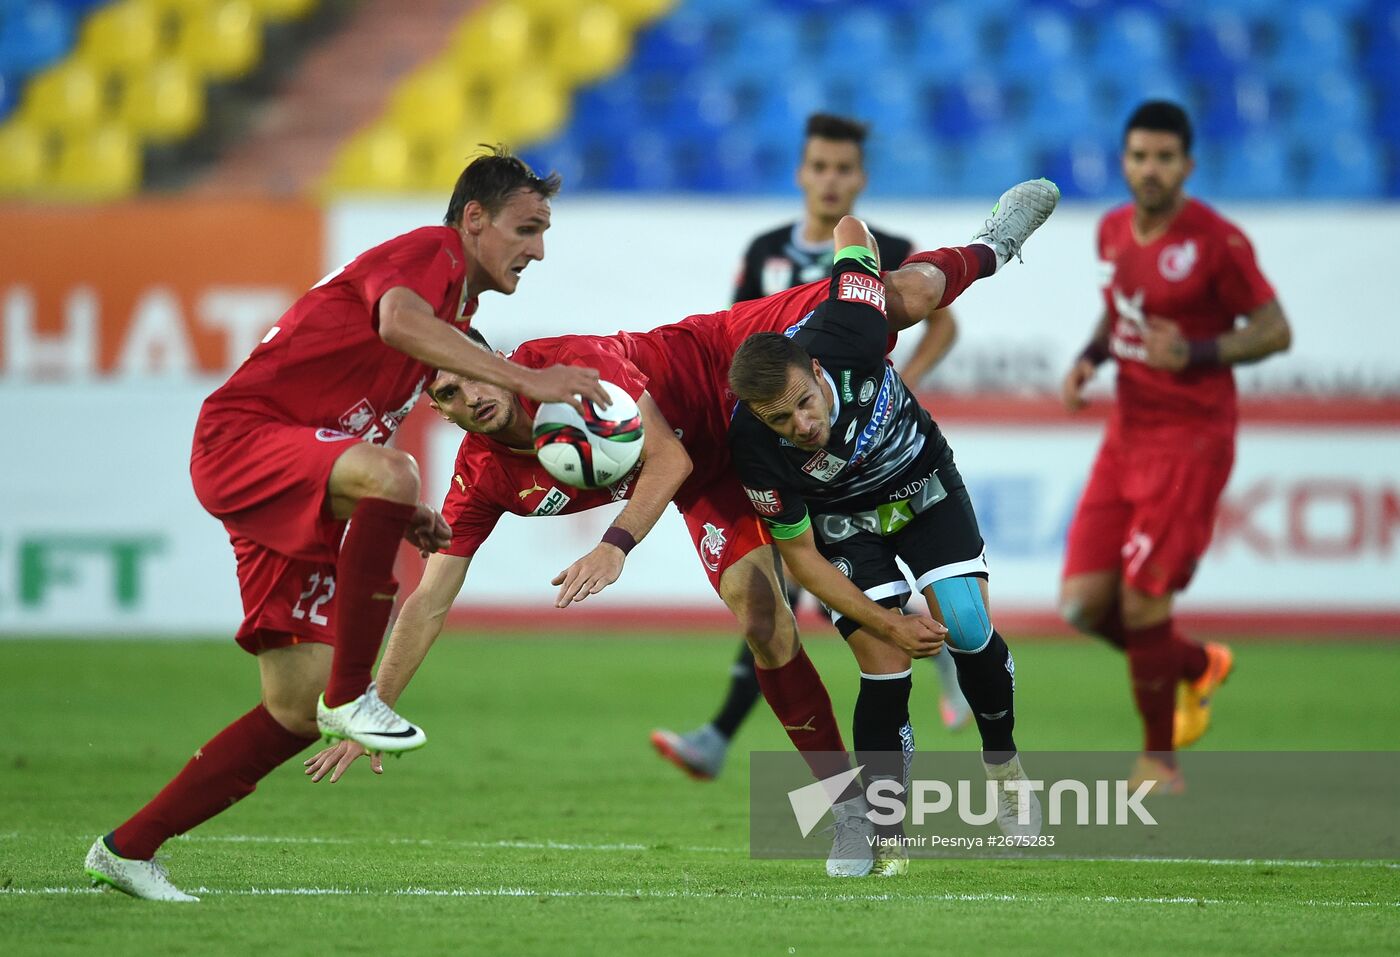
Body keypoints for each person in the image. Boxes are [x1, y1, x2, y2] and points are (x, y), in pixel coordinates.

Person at [303, 186, 1051, 878]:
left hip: (733, 366)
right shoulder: (482, 476)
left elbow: (665, 455)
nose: (465, 395)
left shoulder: (572, 365)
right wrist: (371, 704)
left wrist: (616, 543)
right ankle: (850, 812)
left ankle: (988, 248)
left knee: (888, 299)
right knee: (764, 619)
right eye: (444, 393)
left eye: (466, 372)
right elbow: (430, 597)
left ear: (490, 358)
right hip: (718, 472)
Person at [82, 149, 609, 903]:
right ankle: (355, 693)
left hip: (295, 468)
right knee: (391, 475)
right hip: (243, 437)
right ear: (473, 221)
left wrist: (395, 513)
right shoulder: (428, 256)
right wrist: (524, 378)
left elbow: (360, 414)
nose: (538, 250)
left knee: (292, 710)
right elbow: (395, 323)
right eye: (527, 229)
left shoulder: (456, 315)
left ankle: (127, 849)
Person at [725, 180, 1060, 875]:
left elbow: (856, 234)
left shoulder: (850, 326)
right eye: (783, 421)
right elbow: (805, 563)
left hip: (921, 481)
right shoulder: (752, 446)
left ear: (818, 370)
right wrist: (890, 626)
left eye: (805, 404)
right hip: (845, 523)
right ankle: (878, 831)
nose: (802, 426)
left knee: (966, 626)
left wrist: (975, 258)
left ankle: (1004, 766)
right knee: (884, 664)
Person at [652, 114, 969, 783]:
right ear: (801, 173)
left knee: (792, 583)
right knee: (782, 585)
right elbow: (739, 353)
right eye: (819, 167)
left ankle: (721, 734)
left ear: (861, 177)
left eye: (843, 169)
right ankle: (918, 640)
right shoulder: (765, 249)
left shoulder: (887, 247)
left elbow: (942, 321)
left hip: (854, 447)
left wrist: (895, 382)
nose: (830, 180)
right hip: (783, 446)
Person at [1058, 102, 1291, 791]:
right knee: (1080, 604)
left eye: (1164, 157)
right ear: (1123, 161)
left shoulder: (1218, 241)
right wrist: (1090, 356)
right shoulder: (1110, 229)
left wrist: (1198, 349)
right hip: (1126, 434)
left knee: (1142, 602)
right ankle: (1194, 664)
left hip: (1190, 440)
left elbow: (1275, 330)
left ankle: (1161, 760)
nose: (1149, 168)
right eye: (1138, 156)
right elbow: (1121, 303)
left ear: (1188, 165)